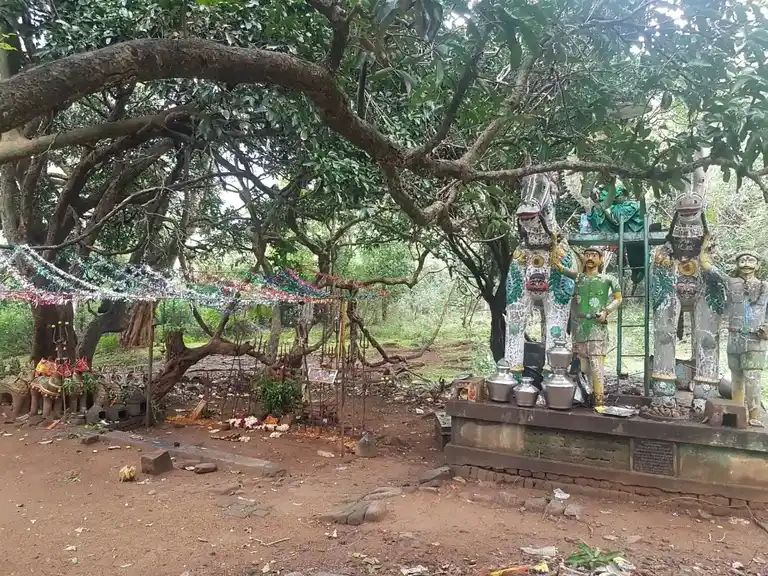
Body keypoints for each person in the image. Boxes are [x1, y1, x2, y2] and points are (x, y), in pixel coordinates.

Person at [700, 239, 768, 426]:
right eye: (743, 260)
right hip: (734, 337)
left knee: (753, 377)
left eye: (751, 260)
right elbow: (710, 270)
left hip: (756, 339)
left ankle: (754, 415)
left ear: (758, 265)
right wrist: (705, 251)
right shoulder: (731, 283)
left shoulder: (765, 287)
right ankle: (739, 410)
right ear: (737, 264)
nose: (746, 264)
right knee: (736, 376)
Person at [553, 246, 622, 407]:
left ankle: (599, 401)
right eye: (587, 255)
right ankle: (582, 396)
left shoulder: (608, 279)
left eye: (593, 255)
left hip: (597, 328)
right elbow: (558, 267)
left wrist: (607, 311)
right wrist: (555, 245)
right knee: (580, 366)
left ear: (600, 259)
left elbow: (618, 298)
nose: (590, 258)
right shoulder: (578, 278)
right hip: (580, 329)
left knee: (597, 365)